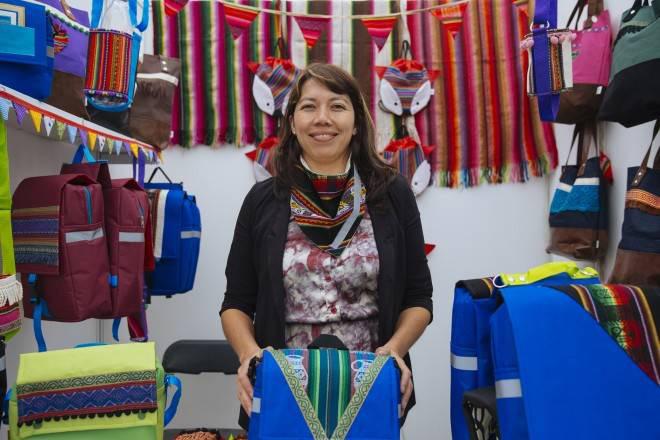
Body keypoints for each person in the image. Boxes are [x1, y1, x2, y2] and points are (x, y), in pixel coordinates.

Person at [220, 63, 433, 427]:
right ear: (292, 122)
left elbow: (418, 297)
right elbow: (236, 303)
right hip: (282, 392)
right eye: (309, 106)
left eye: (337, 106)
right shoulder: (262, 201)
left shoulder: (393, 194)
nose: (323, 118)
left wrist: (394, 350)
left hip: (371, 389)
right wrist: (250, 356)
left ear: (356, 121)